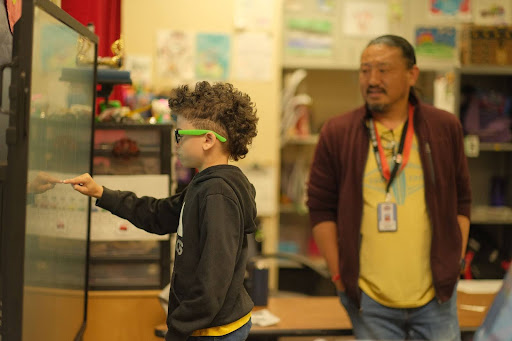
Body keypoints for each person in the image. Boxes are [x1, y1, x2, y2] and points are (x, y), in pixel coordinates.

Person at [64, 81, 259, 341]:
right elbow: (158, 215)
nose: (176, 142)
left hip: (213, 332)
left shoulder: (217, 195)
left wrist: (178, 330)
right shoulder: (203, 186)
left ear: (208, 140)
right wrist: (101, 192)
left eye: (180, 134)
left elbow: (213, 283)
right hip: (205, 326)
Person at [307, 35, 471, 340]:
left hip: (436, 298)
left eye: (383, 70)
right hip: (369, 301)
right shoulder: (338, 131)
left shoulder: (444, 127)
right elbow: (320, 207)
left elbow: (462, 202)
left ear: (412, 74)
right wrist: (339, 275)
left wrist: (454, 263)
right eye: (365, 70)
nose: (372, 80)